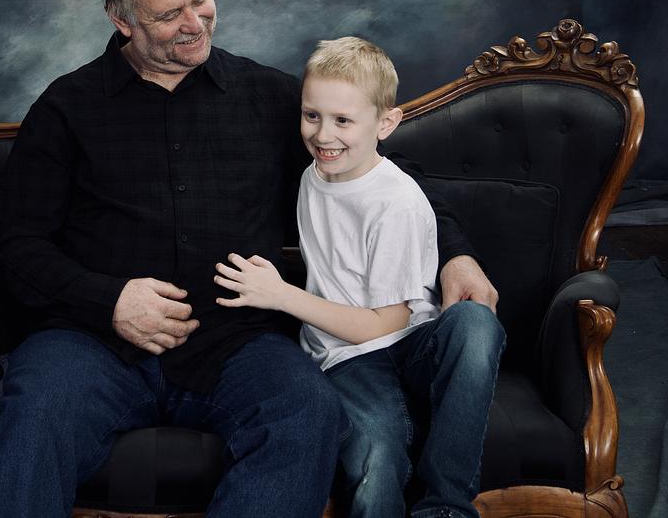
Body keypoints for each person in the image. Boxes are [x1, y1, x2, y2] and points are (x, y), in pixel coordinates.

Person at [0, 0, 498, 517]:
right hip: (90, 343)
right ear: (123, 20)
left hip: (237, 343)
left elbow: (382, 173)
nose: (195, 22)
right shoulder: (66, 109)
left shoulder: (269, 98)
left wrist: (456, 253)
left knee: (307, 413)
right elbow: (11, 247)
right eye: (169, 14)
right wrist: (108, 301)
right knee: (35, 413)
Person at [214, 37, 506, 518]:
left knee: (476, 324)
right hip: (346, 358)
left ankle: (446, 506)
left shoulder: (397, 203)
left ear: (385, 124)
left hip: (406, 340)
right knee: (374, 463)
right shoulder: (311, 175)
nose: (323, 135)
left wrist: (280, 294)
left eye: (343, 121)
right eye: (312, 116)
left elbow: (385, 324)